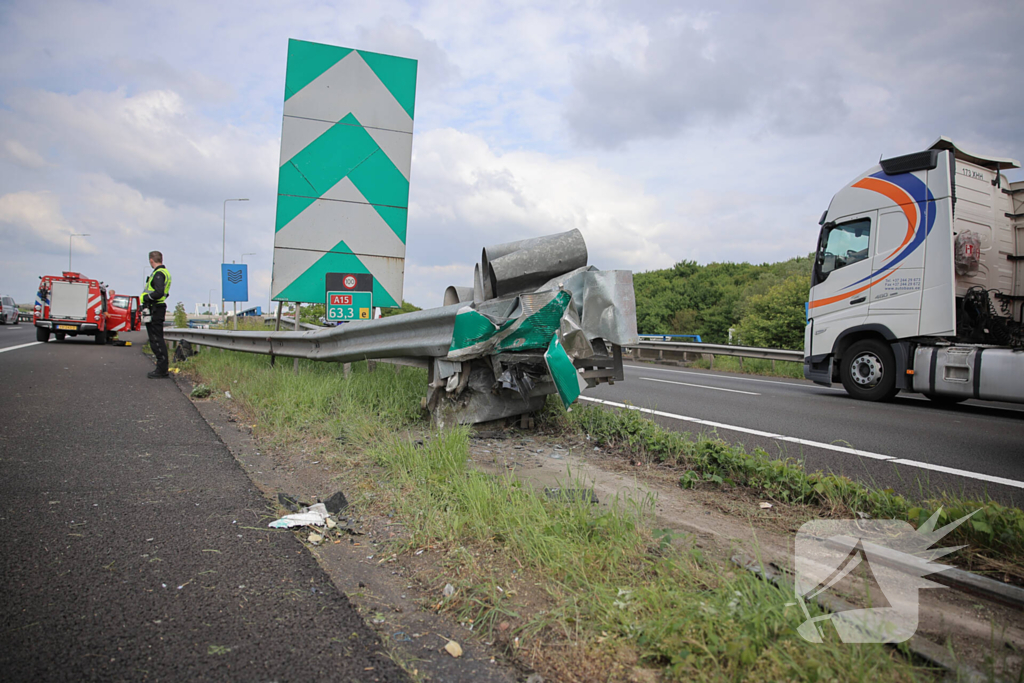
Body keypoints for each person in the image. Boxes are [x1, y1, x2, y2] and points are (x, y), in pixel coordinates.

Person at [142, 251, 172, 378]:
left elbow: (159, 292)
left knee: (156, 339)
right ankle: (162, 368)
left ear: (151, 260)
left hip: (155, 308)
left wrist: (147, 298)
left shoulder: (159, 274)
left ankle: (162, 369)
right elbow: (165, 292)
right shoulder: (165, 273)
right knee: (156, 338)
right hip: (157, 308)